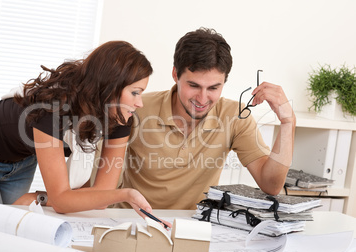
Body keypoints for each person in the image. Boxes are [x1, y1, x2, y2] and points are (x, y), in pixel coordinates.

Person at [0, 40, 154, 216]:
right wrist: (127, 194)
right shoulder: (52, 110)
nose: (140, 103)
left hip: (22, 161)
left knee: (10, 228)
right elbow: (62, 200)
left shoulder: (120, 117)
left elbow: (101, 196)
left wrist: (39, 197)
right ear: (109, 87)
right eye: (135, 92)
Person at [117, 28, 296, 210]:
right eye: (193, 85)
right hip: (129, 221)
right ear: (175, 75)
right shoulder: (138, 107)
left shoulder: (235, 116)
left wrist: (288, 122)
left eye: (213, 88)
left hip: (192, 226)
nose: (202, 99)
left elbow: (271, 185)